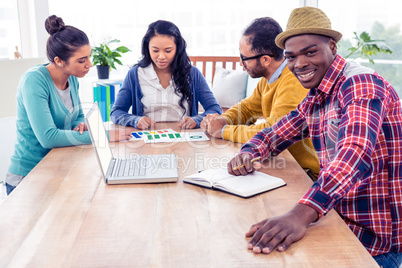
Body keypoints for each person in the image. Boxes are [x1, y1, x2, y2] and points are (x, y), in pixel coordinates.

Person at [228, 7, 402, 268]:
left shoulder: (360, 85)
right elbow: (276, 133)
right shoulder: (317, 95)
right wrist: (250, 151)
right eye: (291, 57)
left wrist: (300, 215)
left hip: (373, 242)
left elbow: (353, 156)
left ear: (332, 46)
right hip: (336, 217)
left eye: (310, 52)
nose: (299, 64)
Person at [4, 15, 132, 195]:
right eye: (81, 60)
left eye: (88, 57)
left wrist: (78, 125)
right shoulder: (34, 81)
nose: (89, 64)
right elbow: (48, 137)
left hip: (56, 168)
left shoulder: (72, 79)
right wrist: (103, 136)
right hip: (28, 178)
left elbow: (77, 115)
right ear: (58, 61)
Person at [201, 17, 319, 179]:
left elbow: (273, 130)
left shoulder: (293, 82)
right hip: (283, 162)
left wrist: (222, 131)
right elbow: (248, 108)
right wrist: (224, 119)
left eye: (244, 58)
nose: (241, 63)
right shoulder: (268, 79)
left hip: (306, 172)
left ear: (265, 60)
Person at [110, 20, 222, 130]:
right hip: (146, 141)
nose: (161, 56)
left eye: (168, 51)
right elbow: (116, 112)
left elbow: (214, 109)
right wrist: (135, 120)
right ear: (147, 48)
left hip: (183, 140)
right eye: (155, 50)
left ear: (177, 49)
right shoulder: (135, 74)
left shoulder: (193, 74)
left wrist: (197, 120)